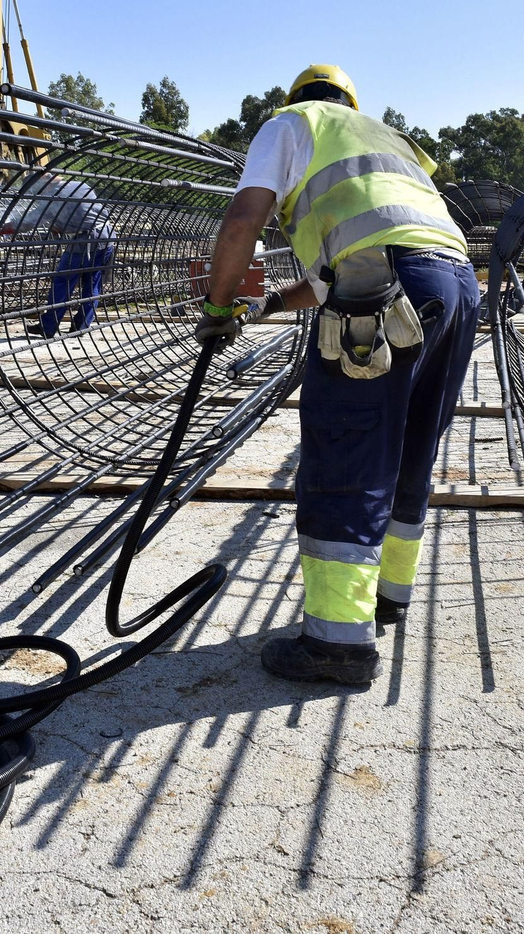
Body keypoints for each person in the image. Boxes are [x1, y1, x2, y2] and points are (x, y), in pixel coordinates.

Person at [196, 64, 480, 686]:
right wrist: (265, 304)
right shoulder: (387, 140)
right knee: (410, 446)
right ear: (352, 102)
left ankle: (337, 645)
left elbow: (243, 220)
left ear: (298, 99)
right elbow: (332, 275)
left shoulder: (291, 124)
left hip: (386, 281)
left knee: (346, 448)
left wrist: (218, 309)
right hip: (456, 283)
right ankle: (387, 598)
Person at [4, 173, 117, 336]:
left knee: (62, 282)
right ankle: (81, 326)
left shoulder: (52, 198)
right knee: (92, 284)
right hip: (106, 238)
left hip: (84, 242)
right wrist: (63, 225)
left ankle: (48, 327)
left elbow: (28, 222)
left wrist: (2, 228)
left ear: (43, 184)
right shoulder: (79, 185)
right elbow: (84, 213)